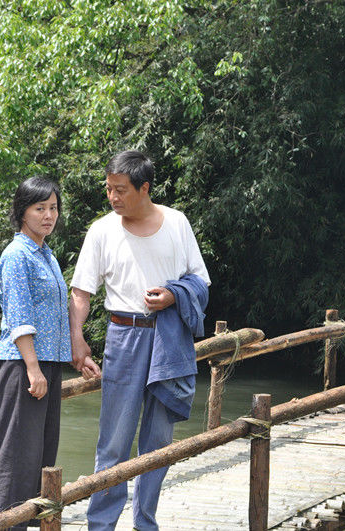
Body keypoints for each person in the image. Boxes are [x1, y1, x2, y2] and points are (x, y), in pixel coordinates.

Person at [70, 150, 210, 530]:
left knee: (158, 441)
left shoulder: (177, 223)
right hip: (124, 337)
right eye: (108, 189)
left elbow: (201, 280)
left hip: (170, 338)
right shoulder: (102, 230)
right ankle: (101, 525)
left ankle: (145, 521)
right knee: (114, 441)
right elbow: (81, 292)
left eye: (120, 190)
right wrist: (77, 337)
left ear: (144, 188)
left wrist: (172, 296)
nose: (112, 197)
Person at [0, 176, 99, 527]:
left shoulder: (45, 253)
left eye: (53, 208)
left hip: (45, 365)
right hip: (23, 366)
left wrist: (76, 355)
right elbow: (19, 317)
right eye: (40, 208)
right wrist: (32, 369)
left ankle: (31, 523)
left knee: (40, 456)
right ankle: (3, 525)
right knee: (14, 459)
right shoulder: (17, 255)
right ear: (22, 212)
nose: (49, 215)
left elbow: (55, 316)